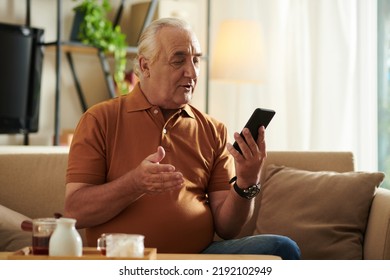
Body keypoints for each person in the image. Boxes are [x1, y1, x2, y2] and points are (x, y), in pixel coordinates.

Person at [64, 17, 300, 260]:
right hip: (124, 261)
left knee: (283, 249)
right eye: (179, 60)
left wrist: (246, 182)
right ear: (145, 66)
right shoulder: (99, 119)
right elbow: (75, 211)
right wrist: (134, 183)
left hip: (197, 258)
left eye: (196, 59)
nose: (192, 72)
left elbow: (228, 228)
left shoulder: (212, 129)